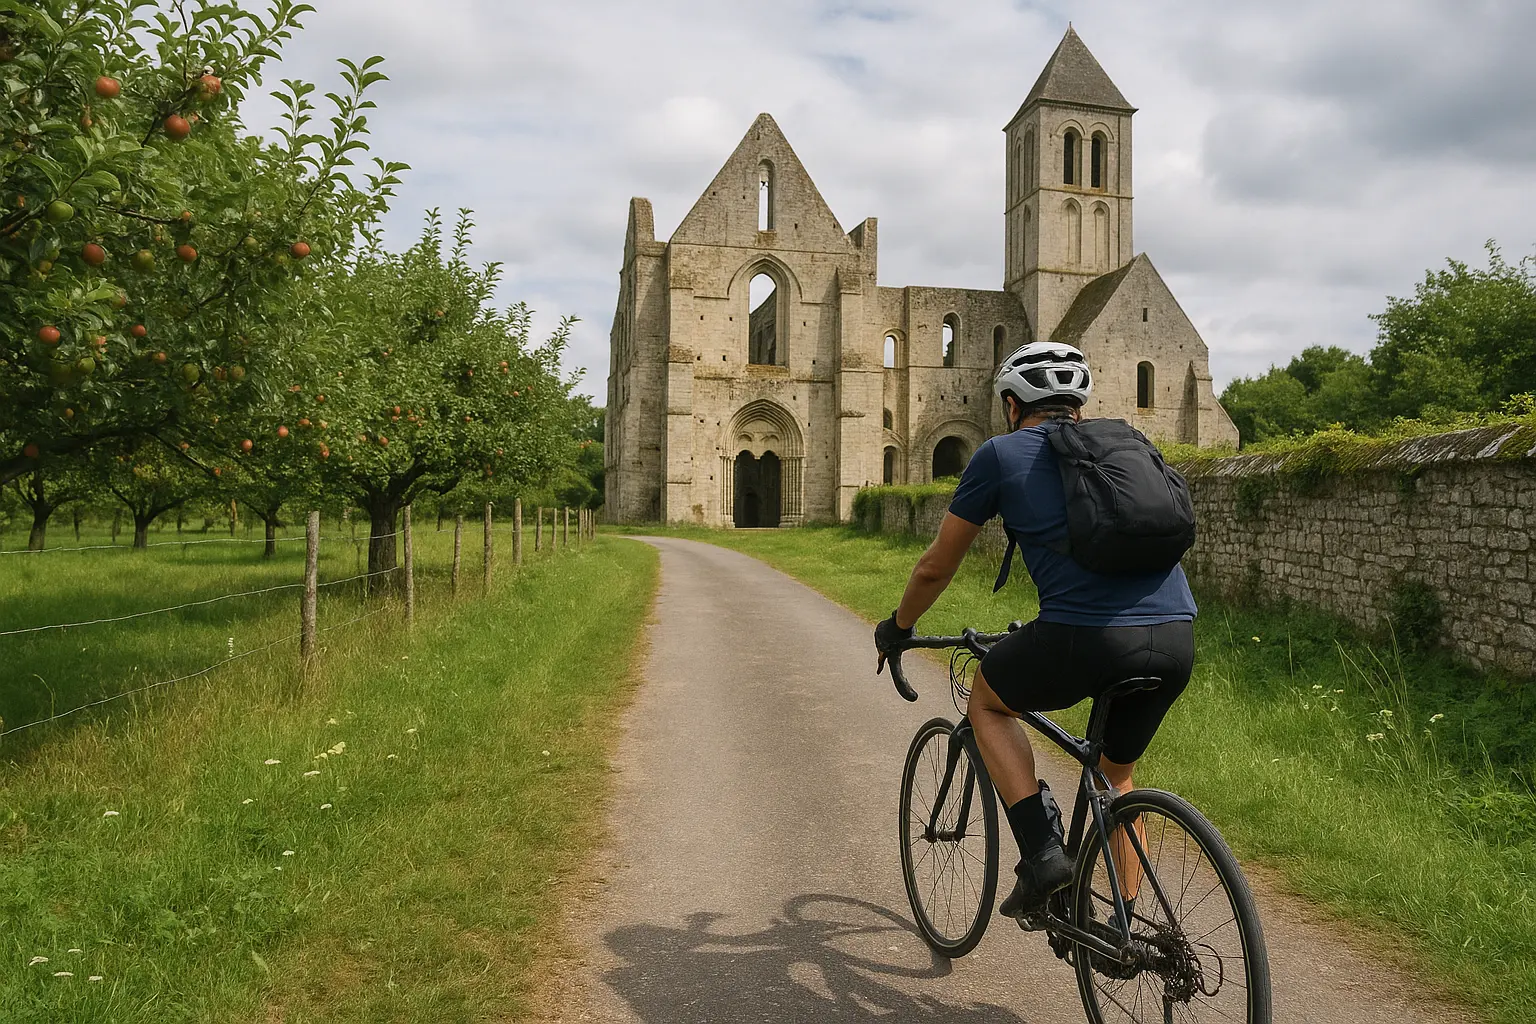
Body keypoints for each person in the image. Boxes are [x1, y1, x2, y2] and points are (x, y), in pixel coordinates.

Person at [873, 341, 1196, 922]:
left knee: (988, 700)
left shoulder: (1000, 455)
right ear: (1078, 405)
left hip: (1084, 636)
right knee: (1116, 778)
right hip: (1176, 636)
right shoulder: (1128, 446)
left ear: (1012, 404)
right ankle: (1127, 930)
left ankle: (1044, 855)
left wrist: (898, 627)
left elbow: (936, 567)